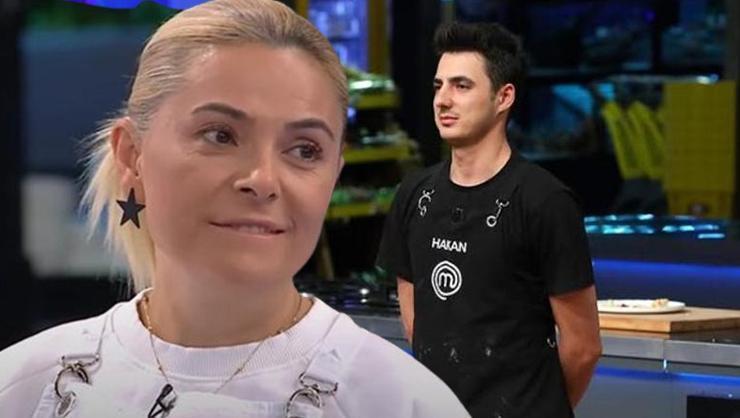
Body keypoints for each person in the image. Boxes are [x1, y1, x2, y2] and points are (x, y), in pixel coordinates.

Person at [0, 1, 470, 417]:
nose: (263, 180)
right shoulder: (23, 386)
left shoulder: (403, 402)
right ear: (131, 156)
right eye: (220, 136)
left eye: (304, 149)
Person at [377, 22, 602, 418]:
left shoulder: (544, 201)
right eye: (438, 86)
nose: (443, 100)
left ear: (504, 97)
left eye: (461, 86)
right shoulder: (414, 193)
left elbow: (583, 346)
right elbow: (416, 322)